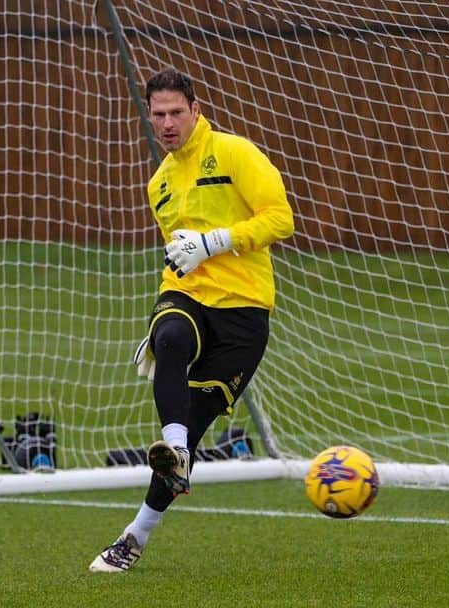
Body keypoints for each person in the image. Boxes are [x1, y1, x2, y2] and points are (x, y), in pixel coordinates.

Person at [89, 68, 295, 573]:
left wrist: (214, 241)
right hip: (189, 297)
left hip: (244, 313)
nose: (166, 123)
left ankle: (135, 535)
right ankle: (176, 448)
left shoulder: (234, 153)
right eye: (157, 114)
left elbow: (280, 219)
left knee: (189, 437)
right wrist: (182, 269)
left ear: (196, 110)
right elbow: (176, 260)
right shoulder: (158, 183)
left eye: (175, 112)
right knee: (172, 334)